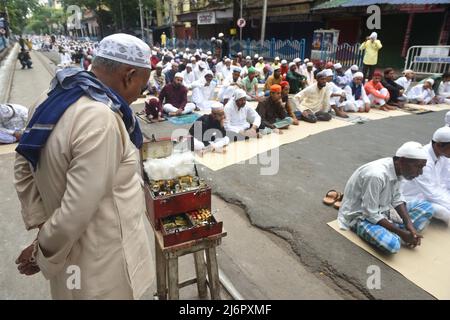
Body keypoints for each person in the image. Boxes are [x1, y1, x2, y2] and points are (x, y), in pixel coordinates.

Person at [14, 33, 153, 299]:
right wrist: (40, 251)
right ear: (129, 75)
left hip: (66, 257)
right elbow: (75, 212)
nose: (139, 95)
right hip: (102, 268)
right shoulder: (100, 118)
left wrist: (42, 222)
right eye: (142, 86)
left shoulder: (50, 96)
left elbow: (23, 161)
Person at [338, 141, 434, 254]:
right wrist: (401, 233)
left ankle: (398, 229)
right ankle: (396, 231)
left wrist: (409, 224)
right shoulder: (376, 175)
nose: (420, 172)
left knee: (427, 207)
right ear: (402, 161)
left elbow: (397, 198)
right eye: (418, 167)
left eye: (422, 167)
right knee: (392, 246)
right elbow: (370, 213)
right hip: (361, 216)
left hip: (385, 210)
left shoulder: (398, 168)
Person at [400, 127, 450, 225]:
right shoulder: (422, 160)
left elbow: (445, 183)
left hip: (431, 193)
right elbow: (432, 193)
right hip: (412, 196)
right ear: (439, 145)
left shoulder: (444, 156)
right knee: (445, 213)